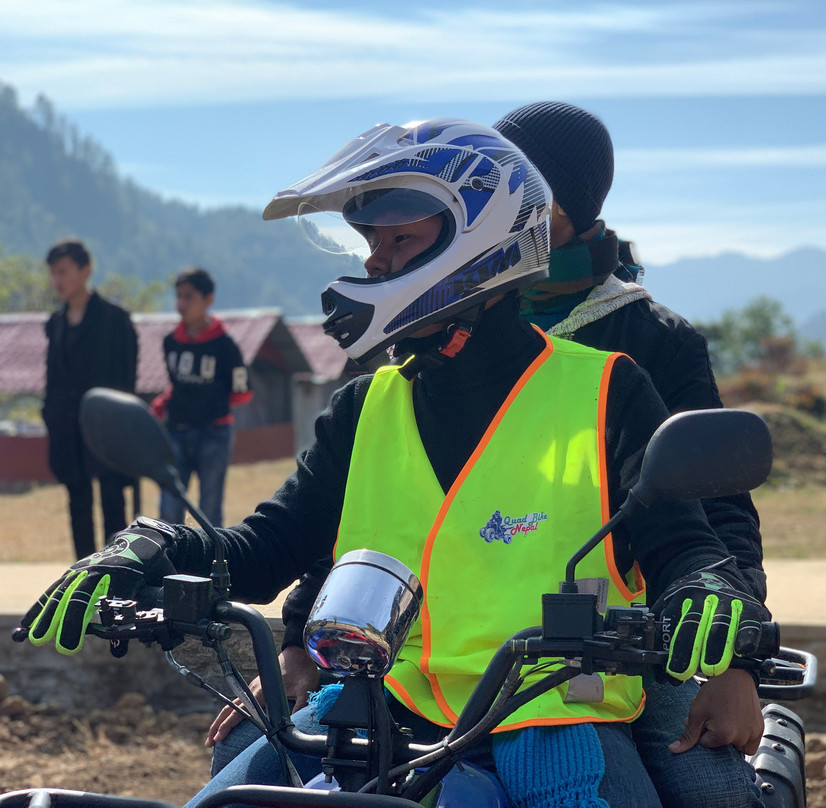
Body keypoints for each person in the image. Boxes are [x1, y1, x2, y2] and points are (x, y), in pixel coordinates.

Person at [21, 119, 768, 808]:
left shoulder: (607, 387)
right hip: (378, 704)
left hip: (548, 712)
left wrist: (709, 593)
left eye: (398, 242)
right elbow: (268, 547)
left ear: (480, 244)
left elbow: (685, 540)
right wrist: (152, 545)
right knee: (227, 791)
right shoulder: (364, 403)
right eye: (369, 243)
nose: (374, 262)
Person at [42, 238, 138, 559]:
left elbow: (126, 378)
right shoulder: (55, 324)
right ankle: (82, 573)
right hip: (68, 430)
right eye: (54, 273)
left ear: (85, 270)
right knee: (77, 502)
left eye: (64, 271)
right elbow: (52, 378)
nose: (58, 280)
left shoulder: (115, 319)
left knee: (113, 500)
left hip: (106, 427)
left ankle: (117, 571)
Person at [151, 267, 252, 528]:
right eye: (179, 296)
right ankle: (171, 563)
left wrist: (209, 403)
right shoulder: (170, 343)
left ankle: (211, 566)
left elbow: (243, 392)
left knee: (209, 508)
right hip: (176, 432)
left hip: (214, 434)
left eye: (189, 297)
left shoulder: (225, 346)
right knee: (170, 507)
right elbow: (176, 385)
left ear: (208, 299)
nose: (181, 303)